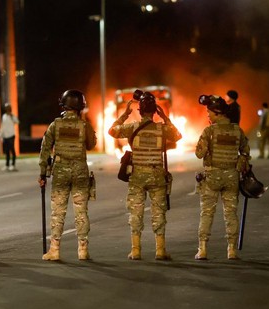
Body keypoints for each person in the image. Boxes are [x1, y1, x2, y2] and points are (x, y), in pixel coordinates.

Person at [108, 91, 182, 260]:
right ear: (154, 110)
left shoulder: (132, 127)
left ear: (139, 110)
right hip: (157, 175)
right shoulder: (161, 129)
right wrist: (165, 118)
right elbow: (177, 136)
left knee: (136, 212)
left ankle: (135, 250)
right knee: (159, 212)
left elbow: (112, 131)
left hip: (137, 176)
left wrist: (125, 114)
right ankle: (160, 250)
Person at [39, 89, 97, 261]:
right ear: (81, 107)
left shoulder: (55, 125)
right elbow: (91, 145)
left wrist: (43, 173)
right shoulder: (84, 125)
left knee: (58, 211)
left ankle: (54, 250)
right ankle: (83, 250)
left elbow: (45, 150)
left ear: (64, 105)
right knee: (81, 211)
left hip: (60, 172)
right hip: (80, 171)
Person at [194, 95, 250, 260]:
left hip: (212, 177)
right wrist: (240, 164)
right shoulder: (237, 130)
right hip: (232, 177)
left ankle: (202, 249)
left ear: (217, 113)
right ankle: (231, 250)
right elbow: (245, 152)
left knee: (206, 213)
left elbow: (199, 154)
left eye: (209, 112)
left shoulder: (209, 131)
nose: (208, 115)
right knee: (231, 213)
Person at [0, 103, 19, 171]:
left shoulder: (12, 116)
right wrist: (0, 135)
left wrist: (12, 116)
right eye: (6, 108)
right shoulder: (4, 116)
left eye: (8, 108)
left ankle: (13, 165)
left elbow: (17, 122)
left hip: (11, 135)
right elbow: (3, 126)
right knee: (6, 151)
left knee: (12, 150)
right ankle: (7, 165)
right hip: (5, 136)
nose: (7, 109)